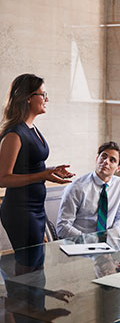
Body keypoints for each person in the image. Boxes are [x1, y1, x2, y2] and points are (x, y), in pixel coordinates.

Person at [0, 74, 74, 272]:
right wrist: (42, 175)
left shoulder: (32, 129)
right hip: (20, 211)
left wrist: (50, 170)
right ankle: (23, 302)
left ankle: (35, 303)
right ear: (28, 98)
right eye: (43, 94)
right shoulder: (14, 134)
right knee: (29, 269)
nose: (47, 99)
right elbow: (3, 178)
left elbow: (30, 167)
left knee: (36, 267)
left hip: (35, 208)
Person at [56, 141, 120, 238]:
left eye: (112, 160)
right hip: (79, 243)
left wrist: (116, 232)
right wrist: (88, 240)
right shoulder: (77, 187)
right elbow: (62, 227)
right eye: (104, 156)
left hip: (108, 244)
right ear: (97, 158)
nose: (106, 161)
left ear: (118, 168)